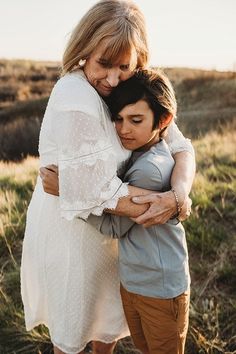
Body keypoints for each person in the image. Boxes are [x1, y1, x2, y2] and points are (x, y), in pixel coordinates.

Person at [21, 1, 195, 354]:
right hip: (73, 231)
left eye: (124, 66)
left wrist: (178, 195)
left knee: (107, 328)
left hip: (116, 235)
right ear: (84, 49)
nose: (113, 78)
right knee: (72, 330)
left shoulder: (134, 89)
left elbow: (181, 147)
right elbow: (96, 189)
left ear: (138, 60)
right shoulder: (73, 95)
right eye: (103, 63)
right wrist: (163, 209)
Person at [86, 68, 191, 354]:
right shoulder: (139, 153)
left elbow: (114, 227)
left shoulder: (149, 170)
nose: (123, 129)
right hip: (135, 281)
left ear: (164, 120)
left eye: (135, 120)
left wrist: (78, 201)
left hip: (159, 287)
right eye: (118, 119)